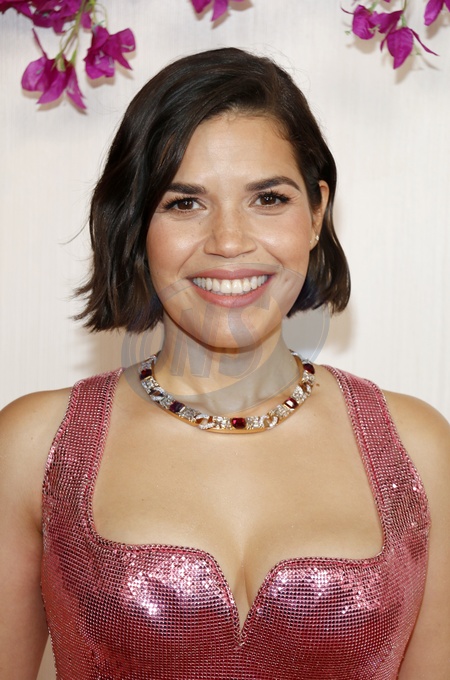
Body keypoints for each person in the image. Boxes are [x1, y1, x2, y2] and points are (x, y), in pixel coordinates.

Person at [0, 47, 449, 680]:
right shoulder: (33, 447)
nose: (230, 242)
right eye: (185, 203)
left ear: (316, 213)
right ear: (136, 223)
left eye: (268, 198)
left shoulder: (418, 449)